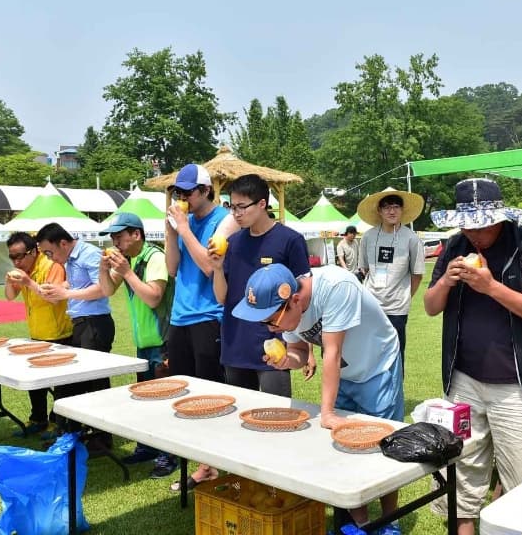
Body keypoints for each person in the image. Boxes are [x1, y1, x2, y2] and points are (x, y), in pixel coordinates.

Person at [424, 178, 522, 534]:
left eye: (482, 224)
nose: (474, 233)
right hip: (463, 380)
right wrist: (446, 282)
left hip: (517, 385)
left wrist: (489, 286)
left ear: (500, 217)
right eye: (467, 224)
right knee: (459, 473)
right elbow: (430, 306)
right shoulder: (455, 245)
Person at [234, 263, 403, 532]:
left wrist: (326, 413)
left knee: (382, 446)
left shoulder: (336, 287)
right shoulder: (288, 311)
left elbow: (332, 353)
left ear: (296, 300)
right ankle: (360, 521)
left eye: (270, 320)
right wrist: (285, 360)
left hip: (377, 365)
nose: (269, 329)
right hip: (345, 374)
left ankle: (390, 521)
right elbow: (299, 351)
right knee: (344, 446)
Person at [164, 163, 238, 489]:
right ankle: (203, 464)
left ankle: (218, 462)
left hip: (209, 317)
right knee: (187, 397)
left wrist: (183, 229)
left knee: (212, 396)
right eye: (178, 192)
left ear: (206, 191)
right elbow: (171, 269)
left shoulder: (224, 220)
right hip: (180, 317)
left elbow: (210, 267)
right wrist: (170, 230)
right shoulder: (185, 222)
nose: (182, 198)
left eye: (188, 192)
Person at [211, 174, 314, 397]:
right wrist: (217, 268)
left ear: (262, 204)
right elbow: (222, 299)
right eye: (231, 207)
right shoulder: (233, 243)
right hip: (235, 345)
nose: (235, 214)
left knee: (277, 418)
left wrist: (307, 348)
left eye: (241, 207)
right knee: (239, 419)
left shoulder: (290, 240)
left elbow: (303, 298)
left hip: (274, 346)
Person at [97, 212, 178, 477]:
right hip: (144, 342)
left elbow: (154, 297)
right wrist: (103, 267)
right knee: (144, 399)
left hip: (163, 342)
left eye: (119, 236)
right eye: (113, 237)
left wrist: (127, 272)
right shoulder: (130, 261)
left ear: (136, 234)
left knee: (165, 402)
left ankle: (168, 454)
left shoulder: (154, 258)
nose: (116, 241)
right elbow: (107, 291)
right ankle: (148, 445)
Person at [36, 222, 115, 445]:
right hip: (82, 324)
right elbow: (80, 283)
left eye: (49, 252)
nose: (50, 258)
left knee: (95, 382)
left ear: (63, 243)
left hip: (95, 323)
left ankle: (102, 438)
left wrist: (65, 291)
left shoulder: (89, 253)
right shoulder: (71, 258)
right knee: (77, 381)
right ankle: (76, 434)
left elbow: (102, 287)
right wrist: (60, 287)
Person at [3, 232, 73, 436]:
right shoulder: (22, 269)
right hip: (37, 332)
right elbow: (9, 296)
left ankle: (59, 423)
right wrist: (10, 280)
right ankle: (39, 419)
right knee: (35, 382)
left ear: (33, 251)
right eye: (12, 257)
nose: (16, 261)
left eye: (20, 256)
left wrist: (27, 282)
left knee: (61, 384)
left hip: (60, 333)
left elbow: (53, 298)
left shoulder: (52, 265)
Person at [356, 188, 425, 369]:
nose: (392, 211)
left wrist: (405, 297)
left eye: (396, 207)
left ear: (402, 210)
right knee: (369, 352)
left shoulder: (411, 239)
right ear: (379, 211)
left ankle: (395, 396)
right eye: (386, 207)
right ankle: (372, 394)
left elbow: (417, 275)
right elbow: (364, 268)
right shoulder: (368, 237)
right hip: (370, 305)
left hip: (397, 308)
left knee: (395, 354)